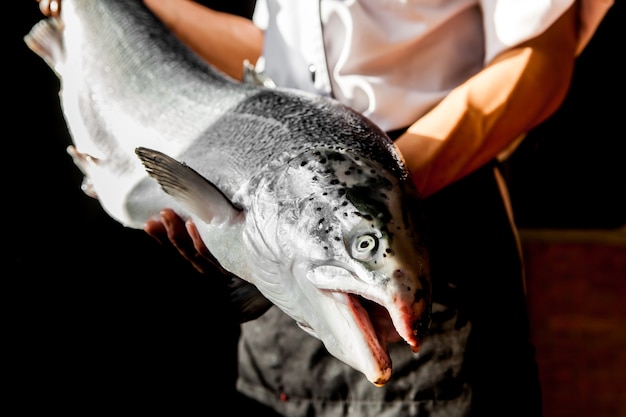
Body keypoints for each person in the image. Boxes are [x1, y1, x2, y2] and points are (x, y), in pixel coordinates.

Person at [37, 0, 613, 415]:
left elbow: (542, 56)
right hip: (280, 269)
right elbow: (275, 65)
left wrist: (375, 187)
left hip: (424, 221)